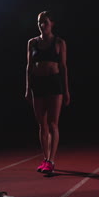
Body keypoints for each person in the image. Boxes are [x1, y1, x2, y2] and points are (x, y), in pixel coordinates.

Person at [25, 10, 70, 174]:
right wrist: (27, 88)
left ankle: (51, 159)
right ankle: (45, 158)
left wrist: (66, 90)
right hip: (38, 84)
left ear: (52, 24)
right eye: (39, 22)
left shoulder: (59, 42)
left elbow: (64, 67)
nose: (42, 25)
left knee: (52, 123)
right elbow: (29, 66)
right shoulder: (32, 42)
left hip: (54, 83)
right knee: (41, 124)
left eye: (45, 22)